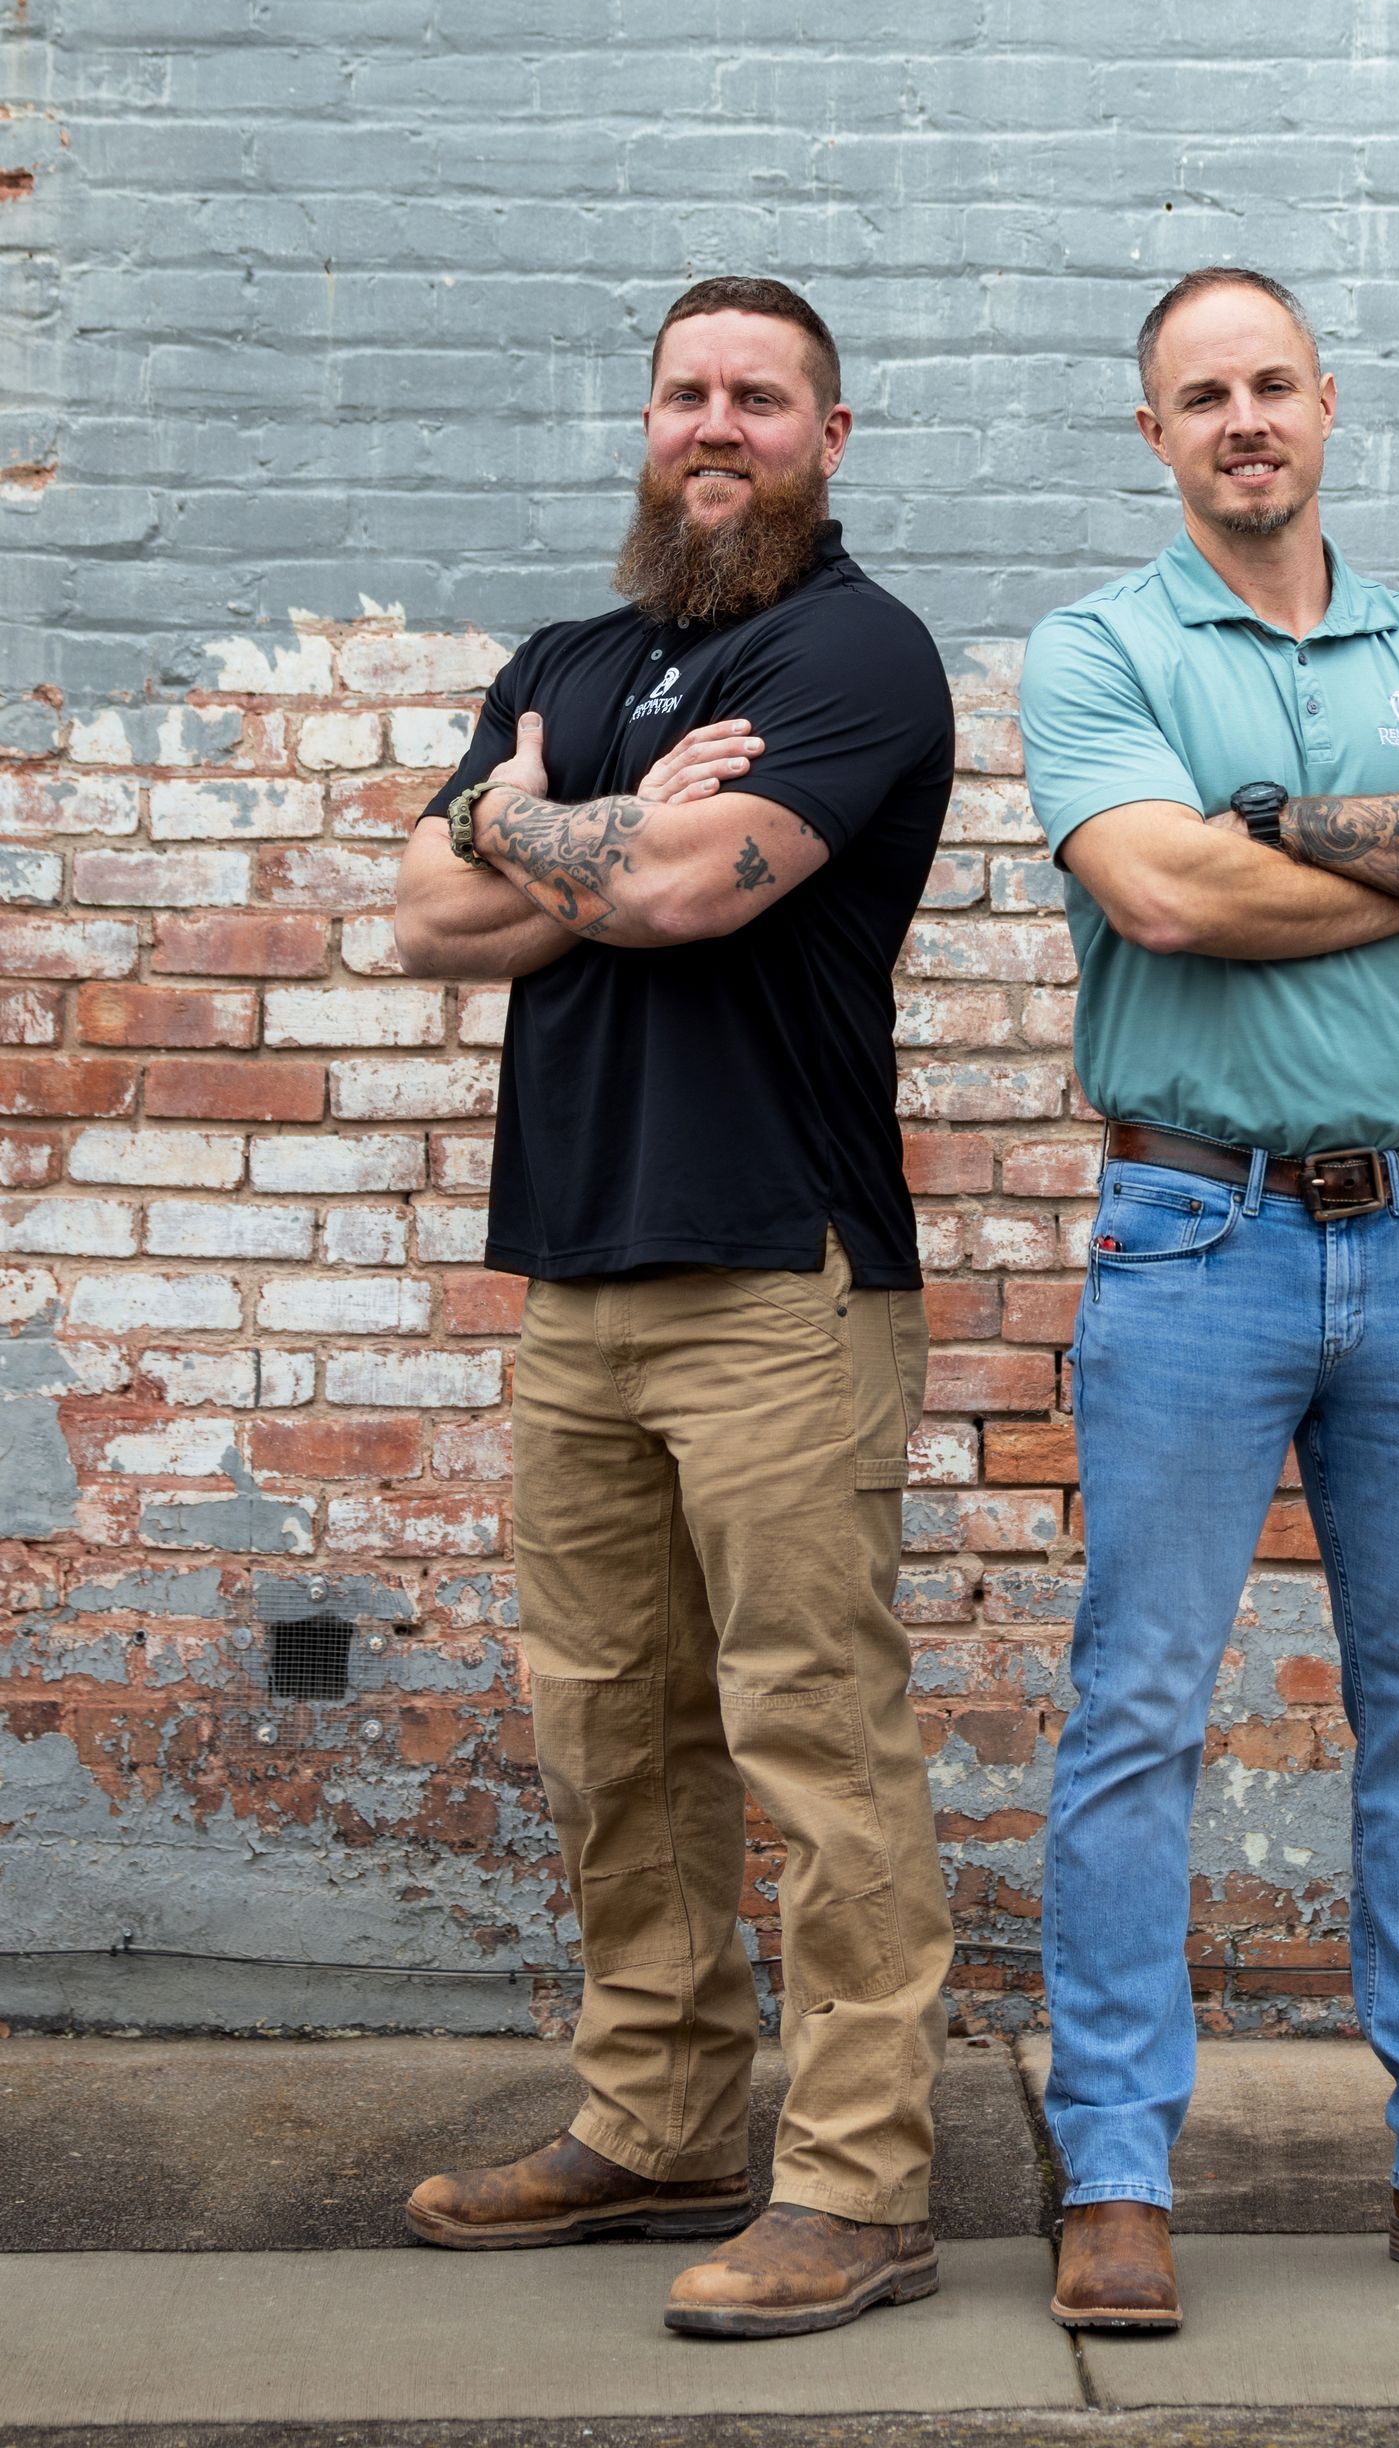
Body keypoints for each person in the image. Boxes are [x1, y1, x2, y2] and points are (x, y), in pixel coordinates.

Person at [1018, 266, 1399, 2332]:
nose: (1244, 420)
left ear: (1327, 403)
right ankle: (1116, 2175)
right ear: (1157, 435)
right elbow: (1161, 894)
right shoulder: (1099, 647)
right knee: (1139, 1712)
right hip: (1193, 1236)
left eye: (1272, 383)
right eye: (1202, 396)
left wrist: (1282, 826)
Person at [392, 277, 955, 2341]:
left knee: (813, 1739)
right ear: (646, 421)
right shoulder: (573, 654)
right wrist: (590, 832)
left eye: (763, 397)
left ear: (829, 429)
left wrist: (534, 823)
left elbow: (680, 895)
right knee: (609, 1732)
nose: (719, 424)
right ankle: (657, 2130)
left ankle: (863, 2186)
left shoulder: (857, 649)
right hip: (582, 1277)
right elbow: (422, 920)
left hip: (779, 1281)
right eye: (687, 393)